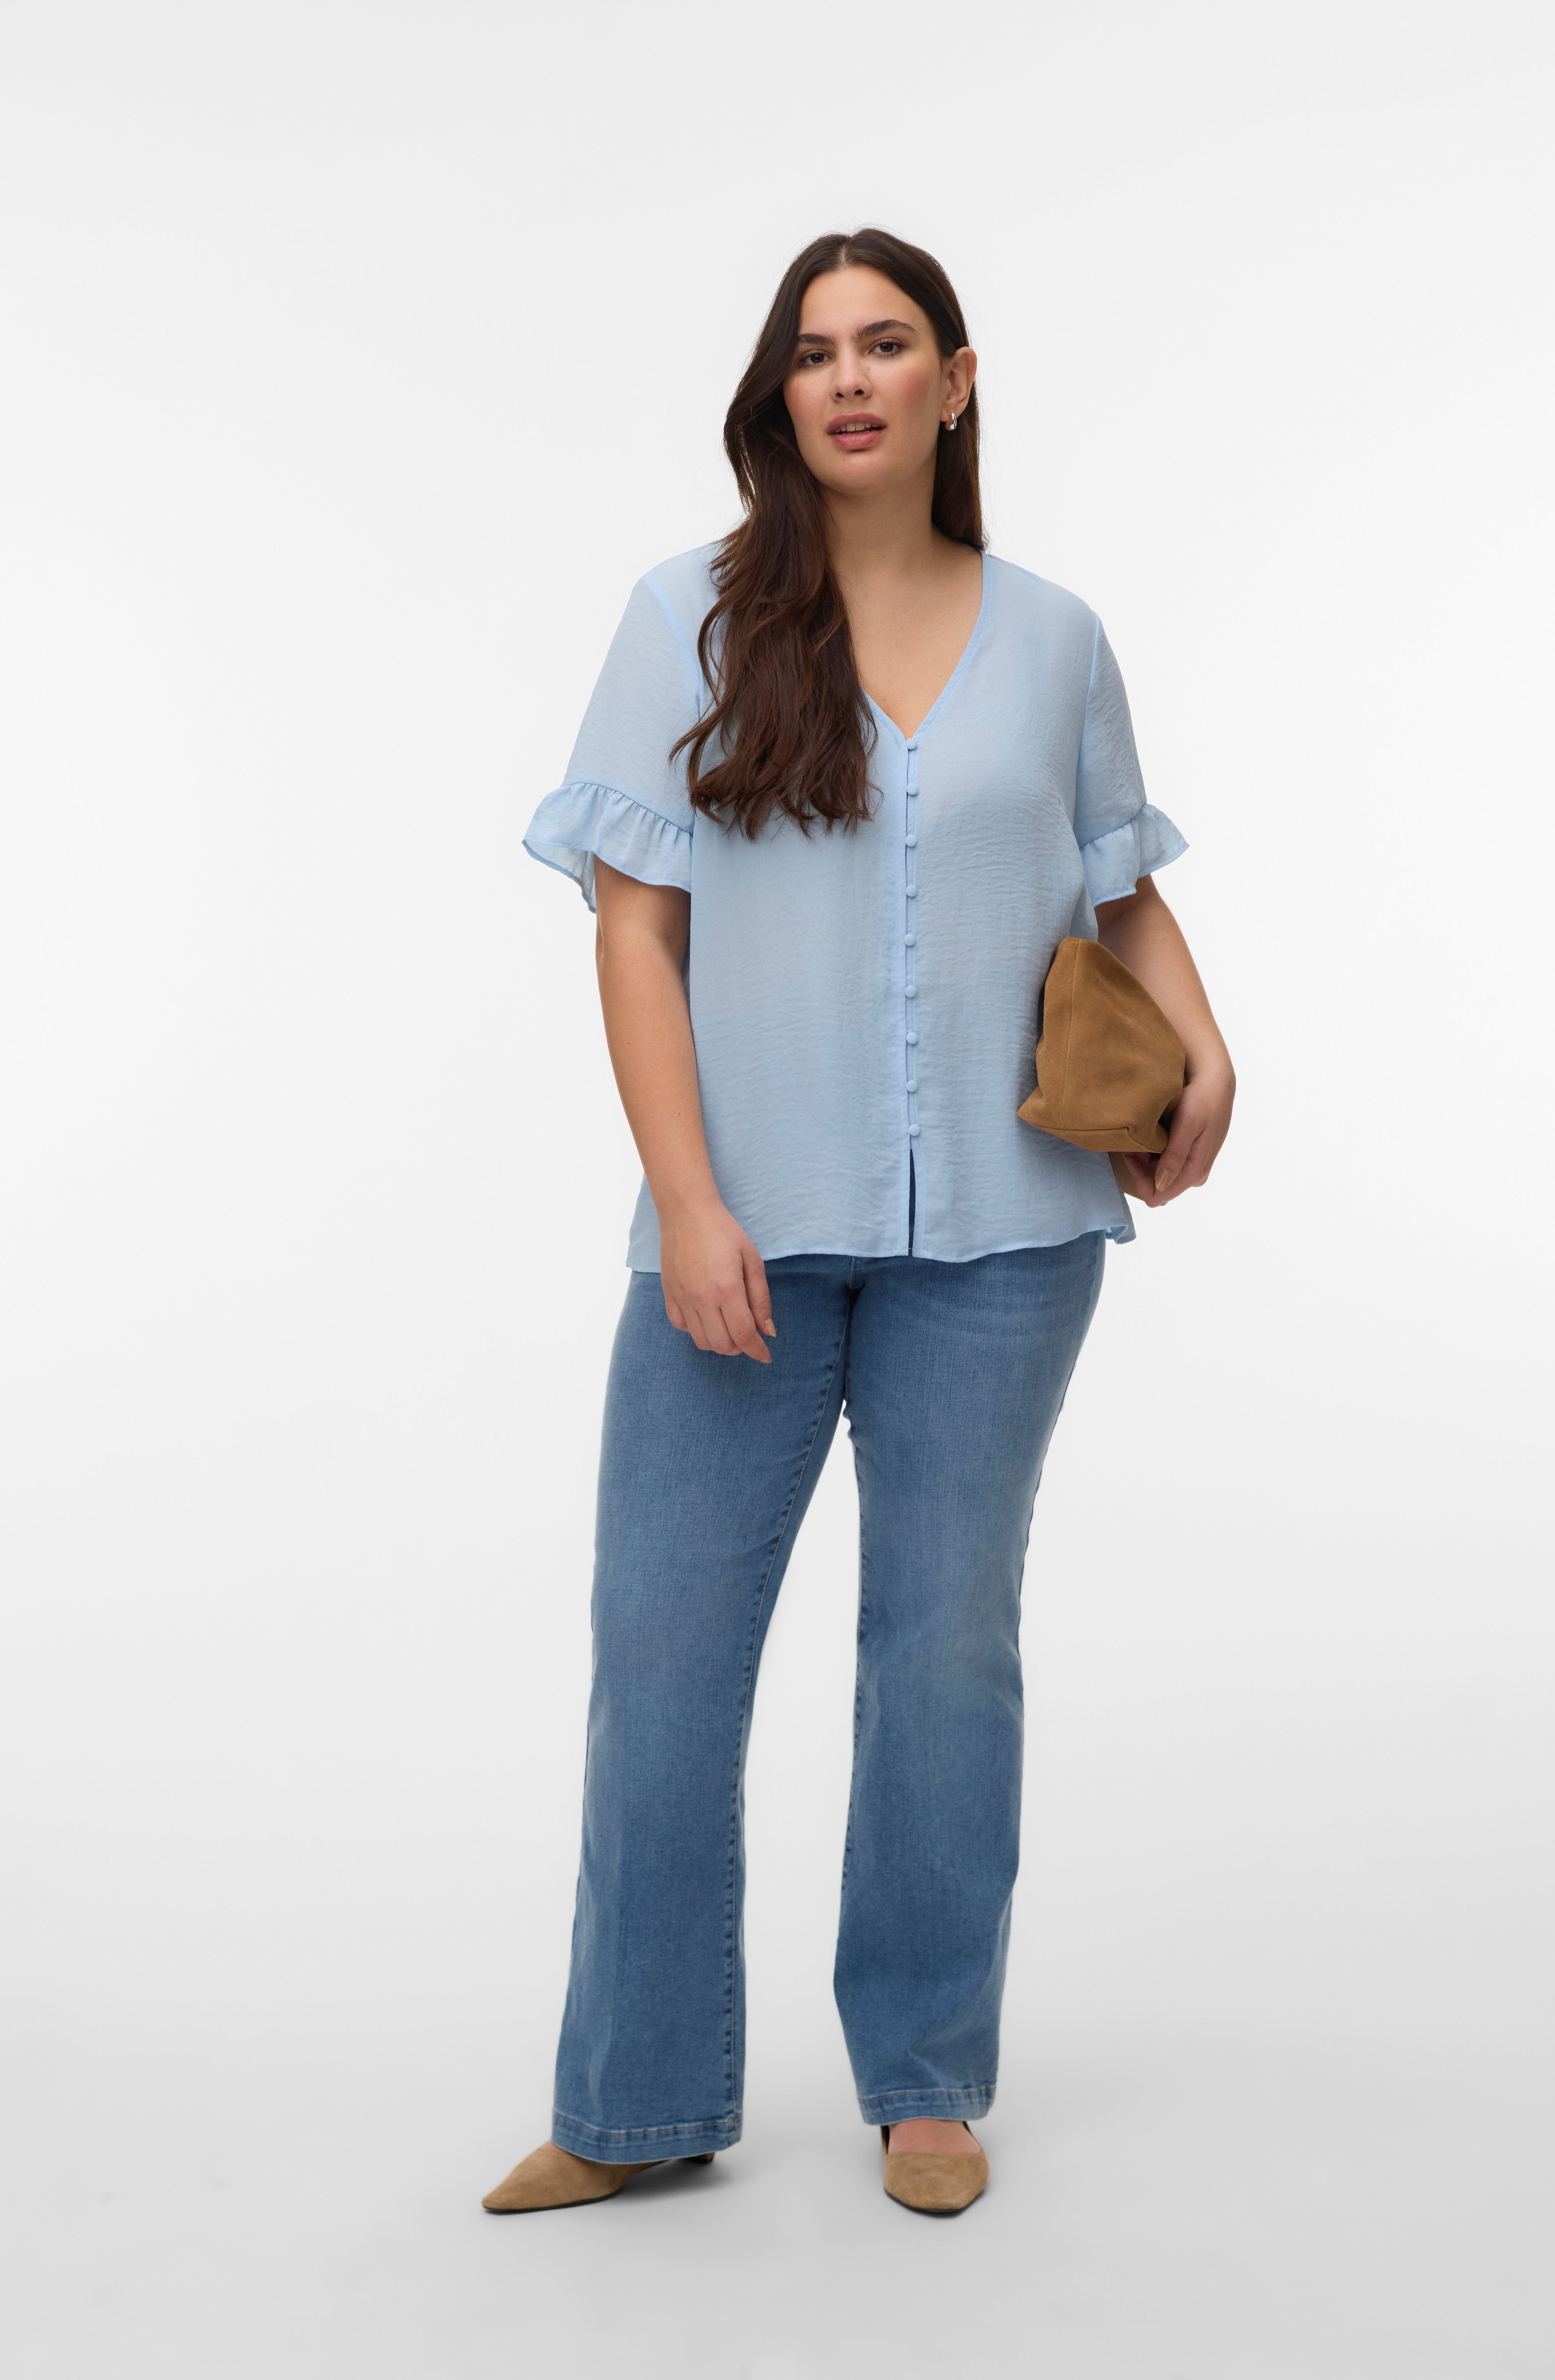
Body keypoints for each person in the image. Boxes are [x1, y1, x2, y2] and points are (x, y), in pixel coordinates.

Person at [484, 228, 1234, 2219]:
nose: (847, 379)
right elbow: (633, 935)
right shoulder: (685, 618)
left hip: (1006, 1233)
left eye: (885, 344)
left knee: (944, 1651)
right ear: (780, 393)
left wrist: (1211, 1044)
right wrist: (689, 1203)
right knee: (663, 1657)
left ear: (952, 383)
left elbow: (1116, 881)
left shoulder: (1056, 637)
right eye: (812, 351)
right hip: (741, 1229)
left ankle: (925, 2080)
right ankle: (635, 2100)